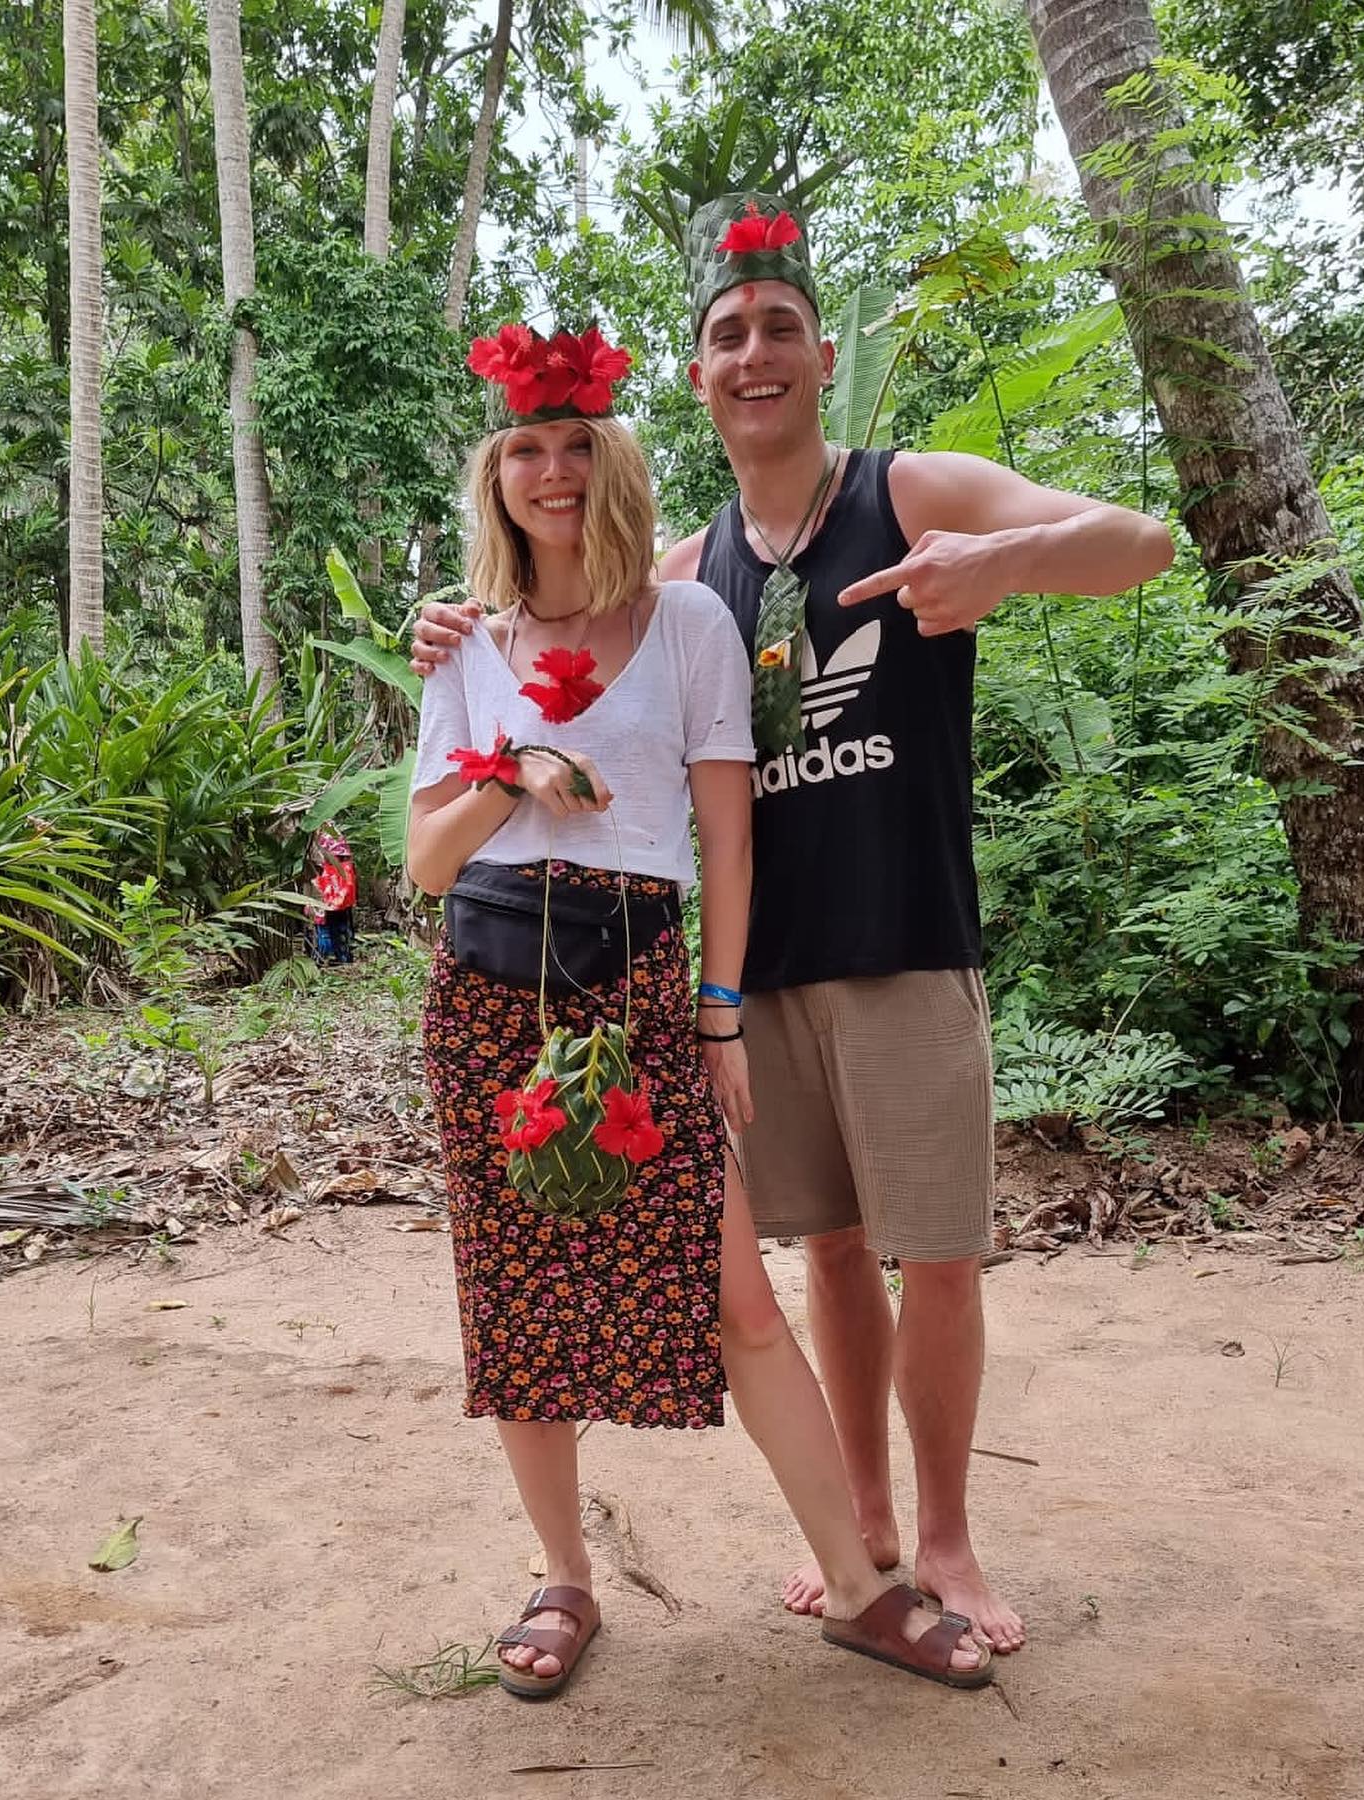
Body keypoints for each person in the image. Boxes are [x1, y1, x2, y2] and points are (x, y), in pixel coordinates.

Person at [414, 208, 1175, 1662]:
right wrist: (463, 655)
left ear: (825, 355)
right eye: (726, 334)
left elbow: (1140, 542)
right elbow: (522, 721)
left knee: (929, 1255)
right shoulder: (684, 576)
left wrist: (1004, 565)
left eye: (778, 328)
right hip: (747, 975)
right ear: (699, 379)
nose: (753, 354)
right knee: (824, 1254)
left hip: (893, 940)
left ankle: (941, 1542)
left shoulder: (909, 491)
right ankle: (864, 1530)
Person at [407, 319, 994, 1700]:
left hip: (636, 987)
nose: (553, 471)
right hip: (488, 990)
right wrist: (511, 770)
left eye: (575, 444)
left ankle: (860, 1586)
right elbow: (426, 861)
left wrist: (717, 1015)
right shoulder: (466, 644)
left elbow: (728, 841)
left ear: (611, 461)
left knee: (736, 1292)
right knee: (517, 1295)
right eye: (525, 450)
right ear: (498, 477)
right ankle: (564, 1577)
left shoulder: (690, 625)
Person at [306, 823, 356, 964]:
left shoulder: (319, 848)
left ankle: (328, 958)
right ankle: (339, 957)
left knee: (327, 931)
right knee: (337, 931)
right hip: (337, 903)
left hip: (328, 903)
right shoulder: (344, 865)